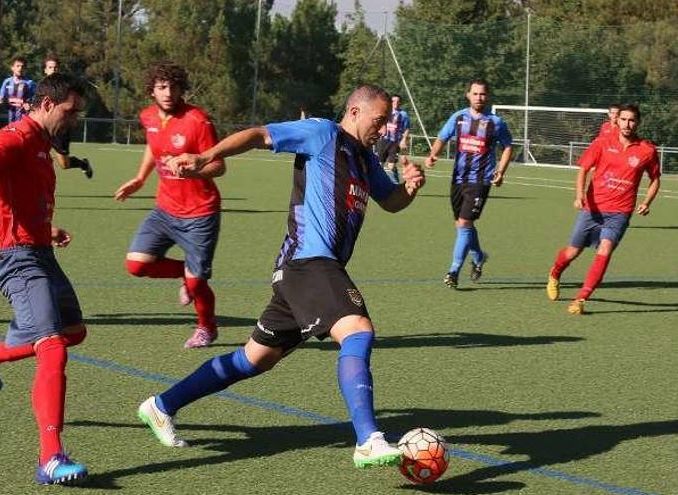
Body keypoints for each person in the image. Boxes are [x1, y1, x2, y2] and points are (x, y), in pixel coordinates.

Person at [136, 84, 426, 469]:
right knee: (357, 330)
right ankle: (368, 440)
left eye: (387, 121)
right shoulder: (323, 133)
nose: (384, 128)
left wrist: (409, 186)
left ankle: (161, 405)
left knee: (254, 359)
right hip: (308, 262)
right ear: (355, 112)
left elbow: (390, 202)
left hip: (310, 270)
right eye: (380, 120)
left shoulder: (364, 158)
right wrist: (205, 156)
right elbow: (259, 135)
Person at [0, 73, 89, 485]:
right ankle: (50, 458)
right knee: (51, 346)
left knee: (73, 332)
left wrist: (46, 229)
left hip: (39, 252)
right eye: (70, 111)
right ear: (47, 105)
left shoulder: (42, 146)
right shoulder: (16, 135)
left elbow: (21, 198)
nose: (74, 120)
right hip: (16, 258)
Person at [114, 62, 224, 349]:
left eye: (174, 87)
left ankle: (206, 329)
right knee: (136, 264)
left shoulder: (197, 120)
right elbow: (154, 145)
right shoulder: (148, 116)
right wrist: (139, 179)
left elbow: (219, 166)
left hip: (200, 213)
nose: (168, 93)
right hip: (164, 210)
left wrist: (194, 171)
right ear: (151, 90)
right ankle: (184, 272)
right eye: (162, 87)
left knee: (197, 284)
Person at [546, 104, 660, 315]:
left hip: (620, 212)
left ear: (638, 122)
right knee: (573, 252)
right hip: (593, 209)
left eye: (632, 120)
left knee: (605, 250)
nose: (627, 124)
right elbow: (583, 169)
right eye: (623, 119)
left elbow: (655, 179)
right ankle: (555, 273)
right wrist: (580, 194)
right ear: (617, 121)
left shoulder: (647, 150)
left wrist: (647, 202)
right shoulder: (602, 143)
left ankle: (580, 299)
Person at [424, 79, 513, 289]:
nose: (478, 98)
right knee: (462, 225)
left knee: (464, 224)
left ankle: (453, 271)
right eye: (475, 94)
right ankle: (479, 256)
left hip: (481, 180)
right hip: (458, 179)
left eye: (482, 94)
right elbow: (442, 137)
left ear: (487, 96)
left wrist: (500, 171)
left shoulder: (496, 122)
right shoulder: (459, 117)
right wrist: (432, 155)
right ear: (468, 95)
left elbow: (508, 146)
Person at [43, 55, 93, 179]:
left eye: (55, 68)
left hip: (60, 129)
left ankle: (83, 164)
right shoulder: (41, 86)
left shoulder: (66, 87)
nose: (53, 70)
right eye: (50, 67)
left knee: (64, 164)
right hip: (44, 127)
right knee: (36, 154)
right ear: (45, 70)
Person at [375, 94, 410, 181]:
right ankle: (378, 183)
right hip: (383, 140)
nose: (396, 103)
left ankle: (395, 182)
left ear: (400, 103)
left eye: (398, 101)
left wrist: (404, 140)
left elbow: (407, 128)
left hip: (394, 142)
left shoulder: (403, 114)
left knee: (391, 166)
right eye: (393, 101)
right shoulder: (385, 111)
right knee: (380, 164)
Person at [0, 56, 36, 124]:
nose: (20, 68)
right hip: (9, 120)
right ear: (12, 68)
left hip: (24, 120)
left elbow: (36, 101)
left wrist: (30, 106)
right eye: (18, 66)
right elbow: (0, 97)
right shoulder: (7, 82)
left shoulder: (30, 83)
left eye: (22, 67)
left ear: (25, 69)